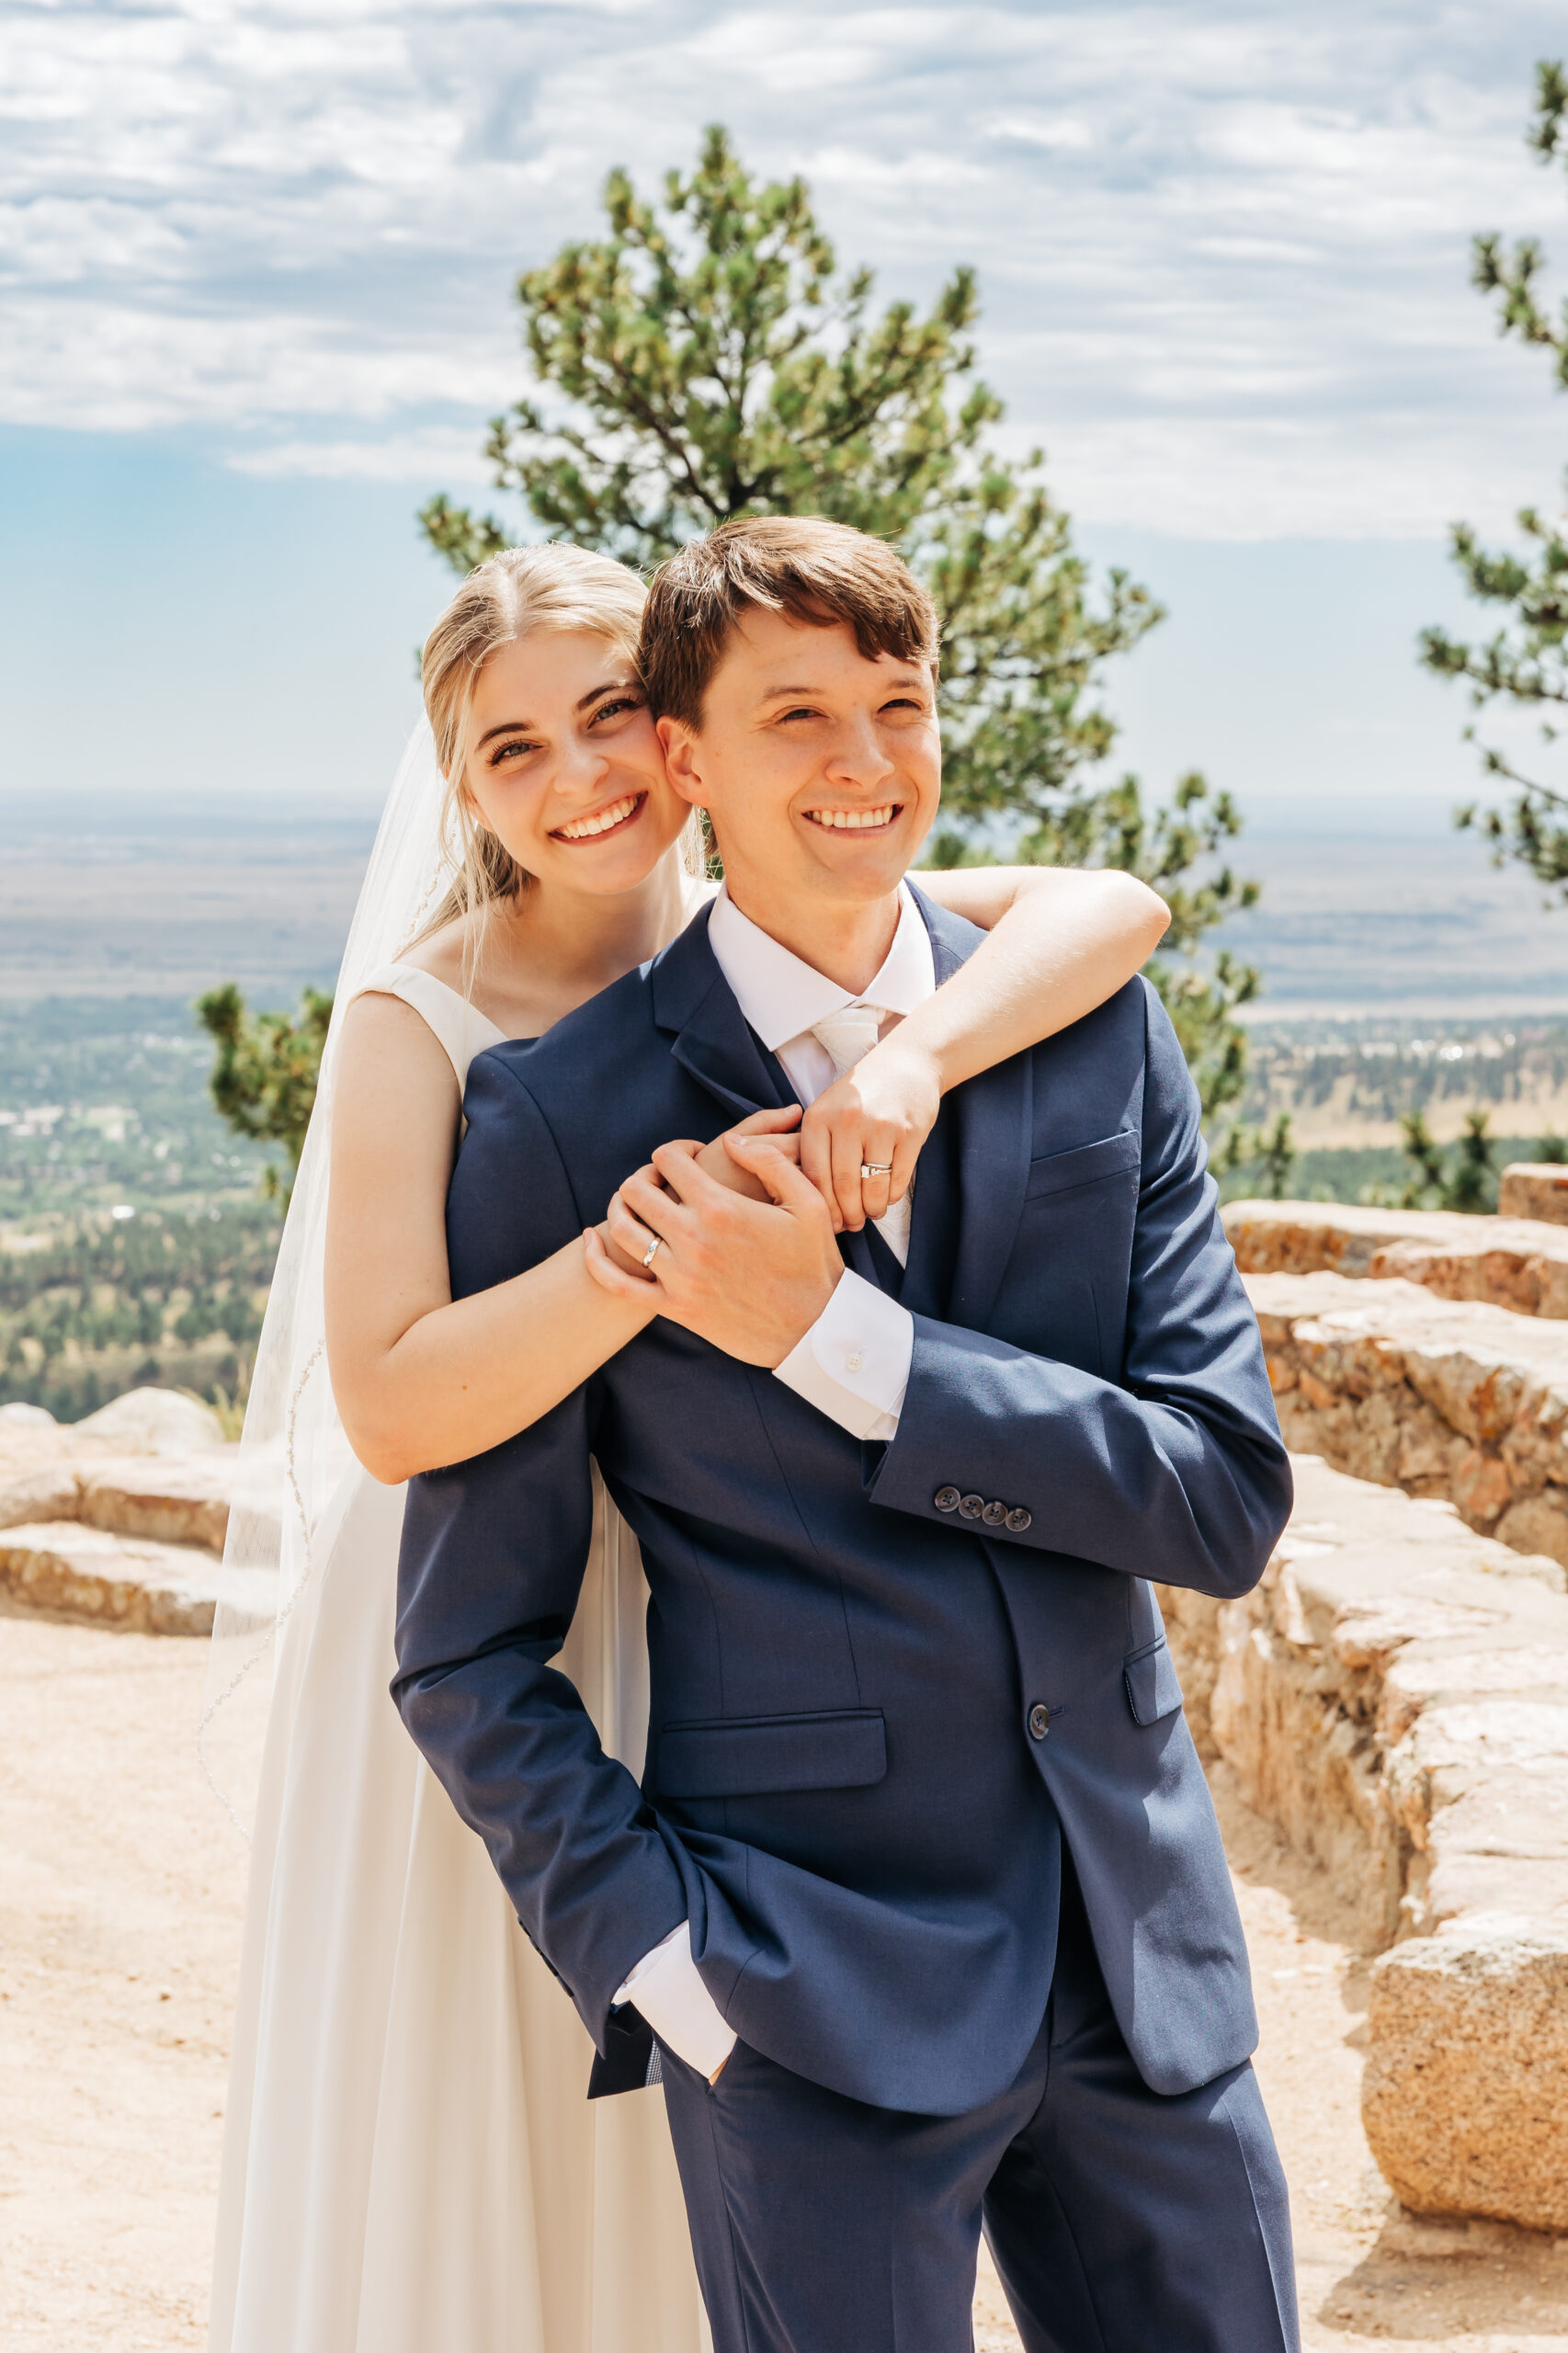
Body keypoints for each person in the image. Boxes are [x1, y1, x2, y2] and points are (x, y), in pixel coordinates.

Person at [206, 538, 1170, 2353]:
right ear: (463, 789)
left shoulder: (747, 926)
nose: (579, 780)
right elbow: (396, 1401)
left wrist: (913, 1059)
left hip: (713, 1594)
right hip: (518, 1609)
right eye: (512, 751)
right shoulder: (417, 1019)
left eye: (614, 718)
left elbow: (1108, 904)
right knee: (508, 2106)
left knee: (742, 2157)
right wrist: (641, 1242)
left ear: (682, 733)